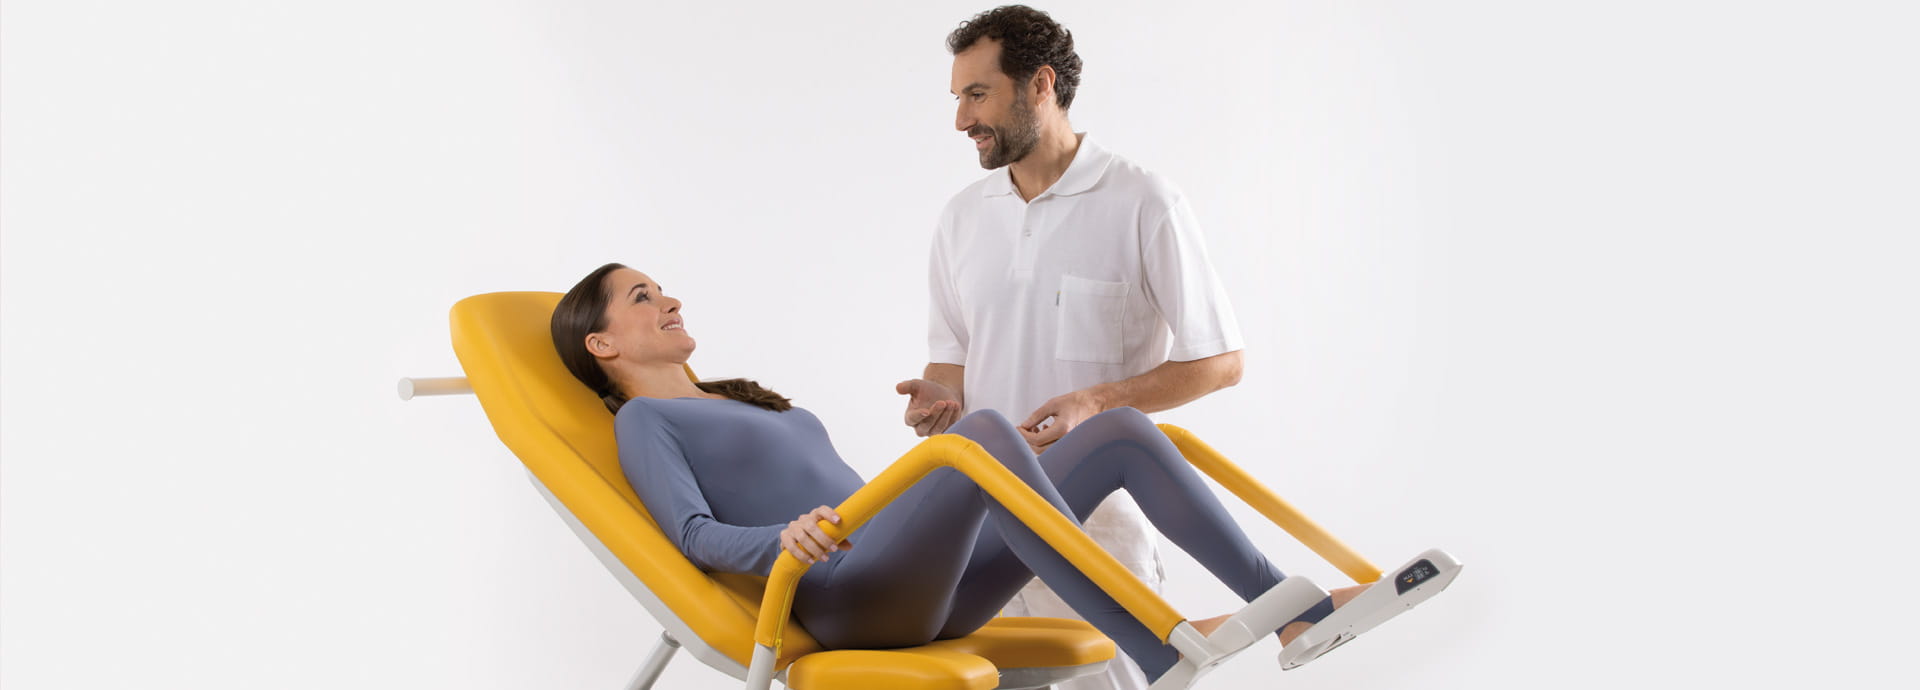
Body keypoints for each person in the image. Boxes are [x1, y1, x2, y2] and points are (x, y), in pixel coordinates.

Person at [552, 264, 1364, 683]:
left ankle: (1289, 608)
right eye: (643, 296)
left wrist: (996, 467)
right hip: (848, 596)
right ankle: (1156, 646)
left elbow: (860, 492)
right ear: (603, 344)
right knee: (979, 435)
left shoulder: (735, 399)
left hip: (910, 576)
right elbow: (692, 536)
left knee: (1114, 430)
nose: (669, 300)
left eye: (662, 289)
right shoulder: (645, 421)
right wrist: (781, 541)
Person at [897, 8, 1248, 688]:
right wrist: (938, 398)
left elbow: (1221, 361)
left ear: (1040, 85)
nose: (962, 120)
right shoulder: (962, 217)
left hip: (1096, 521)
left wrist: (1098, 400)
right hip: (983, 520)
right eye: (958, 98)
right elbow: (952, 359)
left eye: (978, 94)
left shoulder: (1143, 201)